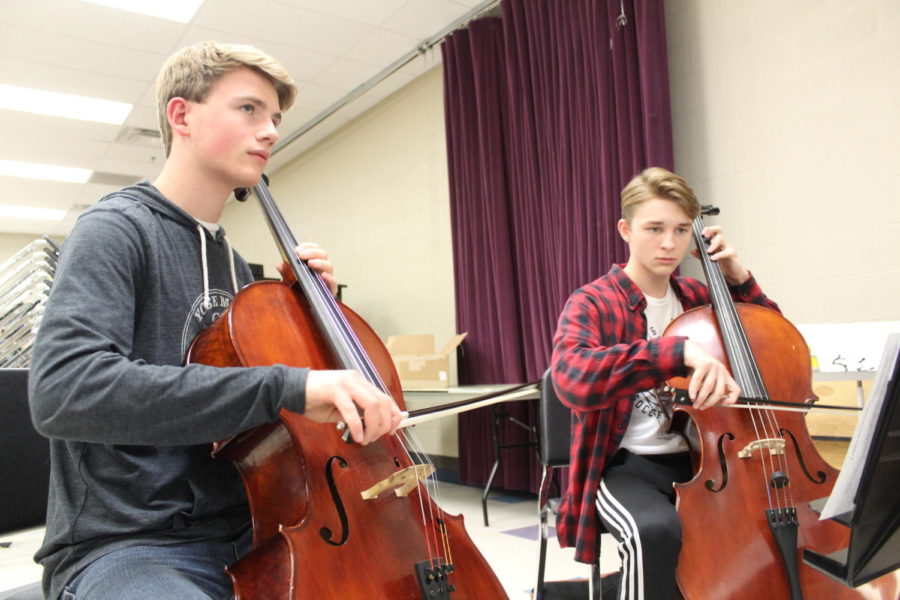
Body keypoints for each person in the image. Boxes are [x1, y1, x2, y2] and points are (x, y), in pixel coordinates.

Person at [28, 41, 402, 600]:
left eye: (275, 118)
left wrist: (309, 318)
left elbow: (261, 418)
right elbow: (64, 392)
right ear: (182, 115)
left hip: (255, 528)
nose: (271, 131)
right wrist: (290, 383)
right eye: (249, 109)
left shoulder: (237, 270)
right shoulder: (115, 229)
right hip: (134, 543)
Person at [550, 167, 780, 599]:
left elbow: (772, 343)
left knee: (759, 522)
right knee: (653, 532)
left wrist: (737, 277)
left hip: (707, 461)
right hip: (625, 465)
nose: (669, 243)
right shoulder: (593, 301)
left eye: (679, 230)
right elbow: (571, 376)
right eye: (654, 228)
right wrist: (674, 352)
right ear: (626, 229)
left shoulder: (697, 296)